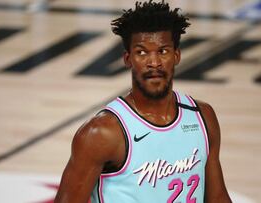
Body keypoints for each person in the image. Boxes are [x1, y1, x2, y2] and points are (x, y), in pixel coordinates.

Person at [55, 1, 232, 202]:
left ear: (176, 56)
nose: (154, 62)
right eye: (141, 52)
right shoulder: (102, 133)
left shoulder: (203, 117)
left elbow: (217, 197)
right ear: (128, 59)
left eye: (163, 51)